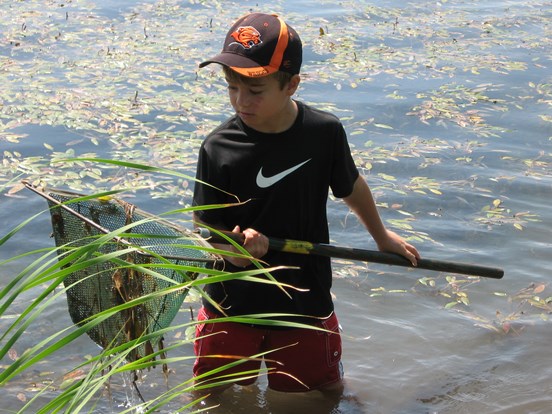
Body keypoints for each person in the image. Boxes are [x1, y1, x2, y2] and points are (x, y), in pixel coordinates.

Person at [192, 12, 420, 394]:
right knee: (215, 398)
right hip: (232, 303)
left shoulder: (323, 133)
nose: (240, 101)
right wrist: (235, 253)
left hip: (304, 300)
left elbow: (351, 186)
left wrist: (381, 236)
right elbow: (208, 229)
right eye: (231, 87)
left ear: (291, 85)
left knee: (318, 398)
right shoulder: (218, 148)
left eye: (255, 91)